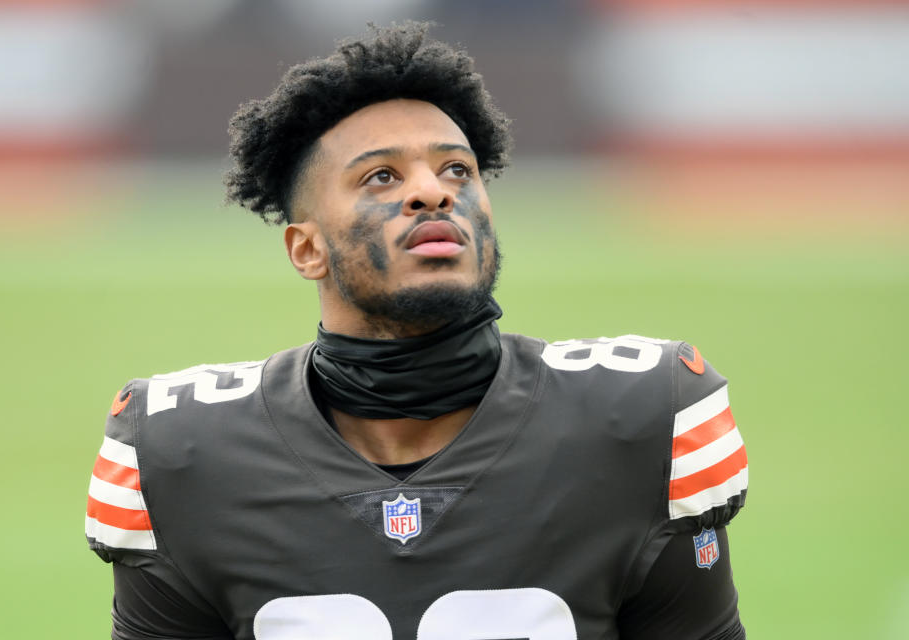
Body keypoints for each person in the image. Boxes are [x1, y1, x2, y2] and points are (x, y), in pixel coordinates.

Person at [85, 22, 748, 640]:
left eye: (456, 169)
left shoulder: (641, 417)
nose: (433, 192)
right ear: (305, 249)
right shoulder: (183, 452)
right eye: (381, 176)